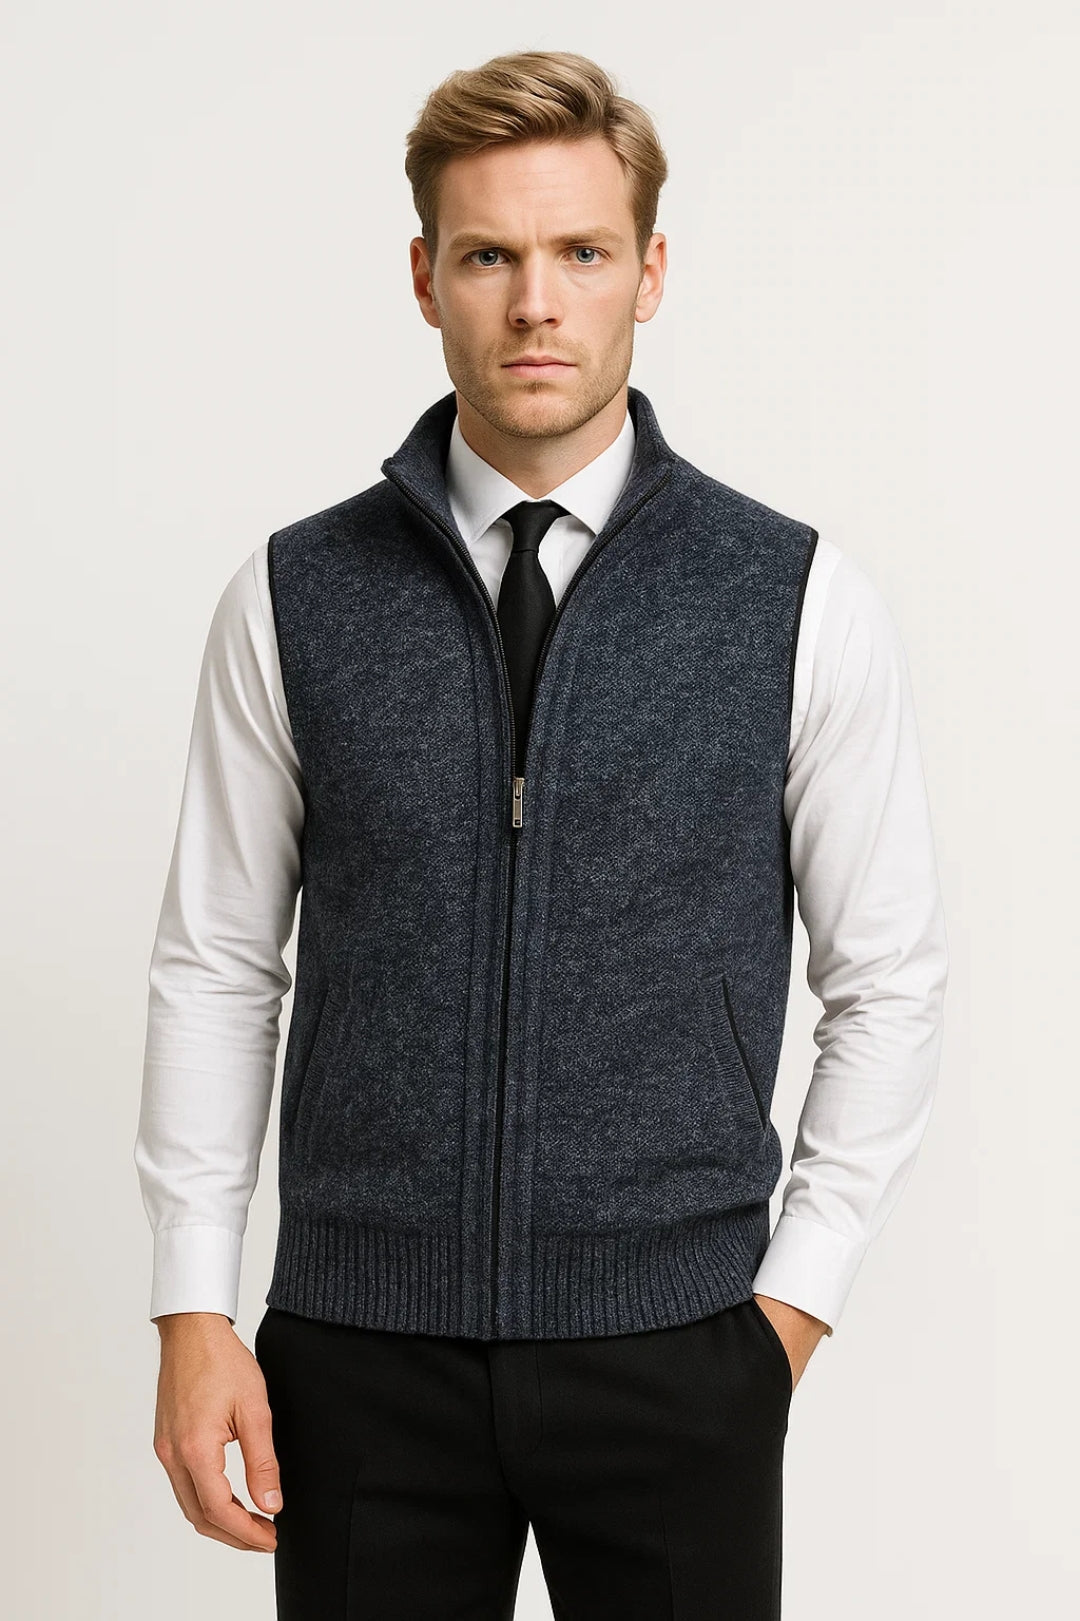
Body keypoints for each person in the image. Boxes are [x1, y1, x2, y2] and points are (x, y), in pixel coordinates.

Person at [135, 48, 948, 1620]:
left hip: (680, 1349)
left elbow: (891, 978)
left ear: (651, 270)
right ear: (423, 277)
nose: (535, 305)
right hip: (361, 1353)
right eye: (489, 256)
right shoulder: (295, 596)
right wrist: (191, 1303)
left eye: (581, 251)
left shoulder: (794, 598)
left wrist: (785, 1312)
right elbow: (218, 962)